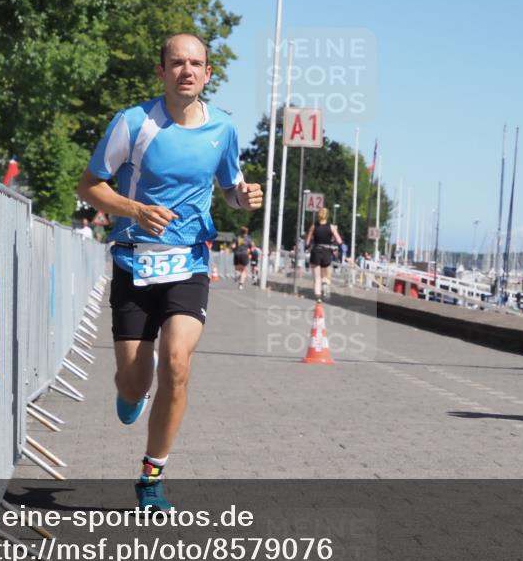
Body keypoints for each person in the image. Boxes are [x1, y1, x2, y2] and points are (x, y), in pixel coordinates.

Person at [76, 32, 263, 510]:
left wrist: (241, 198)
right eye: (177, 63)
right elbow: (90, 186)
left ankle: (151, 475)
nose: (186, 71)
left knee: (178, 363)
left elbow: (228, 184)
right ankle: (131, 386)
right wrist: (134, 209)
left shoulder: (223, 128)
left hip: (189, 263)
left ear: (208, 73)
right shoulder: (134, 123)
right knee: (135, 382)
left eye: (195, 63)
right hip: (133, 261)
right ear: (161, 71)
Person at [305, 207, 343, 301]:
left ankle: (318, 298)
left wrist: (308, 247)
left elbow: (307, 242)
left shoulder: (314, 226)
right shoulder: (331, 227)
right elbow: (339, 241)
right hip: (326, 252)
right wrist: (335, 246)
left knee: (317, 278)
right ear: (327, 216)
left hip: (316, 252)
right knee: (325, 276)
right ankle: (325, 283)